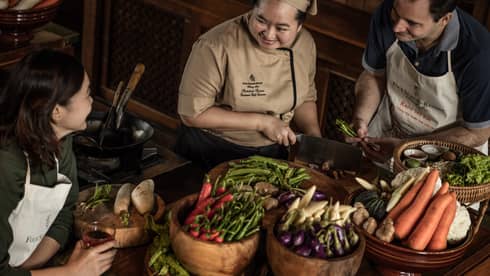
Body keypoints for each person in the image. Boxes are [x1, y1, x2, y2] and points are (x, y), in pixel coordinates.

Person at [0, 50, 117, 276]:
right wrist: (71, 272)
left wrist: (32, 268)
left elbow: (64, 211)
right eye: (87, 94)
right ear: (56, 111)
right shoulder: (7, 165)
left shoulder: (60, 141)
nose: (92, 101)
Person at [175, 0, 322, 170]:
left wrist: (314, 136)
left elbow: (306, 97)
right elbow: (192, 114)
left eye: (281, 28)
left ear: (299, 26)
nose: (269, 34)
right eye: (261, 20)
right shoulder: (215, 44)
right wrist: (263, 122)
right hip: (210, 150)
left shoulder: (305, 44)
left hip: (273, 154)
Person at [349, 0, 490, 162]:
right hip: (385, 135)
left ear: (445, 19)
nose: (397, 27)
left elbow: (477, 132)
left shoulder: (479, 55)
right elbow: (374, 76)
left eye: (412, 23)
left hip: (442, 157)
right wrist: (361, 118)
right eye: (396, 13)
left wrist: (407, 147)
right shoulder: (389, 12)